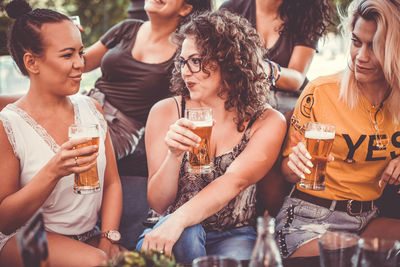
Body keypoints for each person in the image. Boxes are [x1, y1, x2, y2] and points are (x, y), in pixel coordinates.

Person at [136, 9, 287, 264]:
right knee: (187, 234)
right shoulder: (165, 112)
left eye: (196, 61)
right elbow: (160, 204)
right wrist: (173, 155)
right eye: (182, 62)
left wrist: (178, 220)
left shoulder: (267, 121)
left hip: (234, 233)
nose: (186, 72)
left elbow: (234, 181)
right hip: (168, 230)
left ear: (230, 62)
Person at [0, 1, 123, 266]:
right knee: (97, 263)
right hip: (23, 237)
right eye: (67, 55)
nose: (80, 63)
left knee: (147, 261)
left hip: (88, 236)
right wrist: (54, 170)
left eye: (81, 52)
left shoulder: (92, 109)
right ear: (32, 62)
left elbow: (112, 183)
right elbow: (5, 219)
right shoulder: (8, 124)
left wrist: (108, 238)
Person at [275, 0, 400, 259]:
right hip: (308, 218)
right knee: (349, 259)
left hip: (368, 219)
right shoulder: (320, 93)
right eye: (356, 42)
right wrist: (294, 163)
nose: (361, 56)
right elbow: (287, 171)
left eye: (374, 46)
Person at [82, 0, 211, 177]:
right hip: (87, 103)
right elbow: (82, 63)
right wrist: (69, 41)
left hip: (120, 128)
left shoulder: (184, 53)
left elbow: (196, 97)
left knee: (75, 156)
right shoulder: (128, 28)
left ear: (185, 8)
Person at [219, 0, 333, 119]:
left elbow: (297, 77)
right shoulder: (230, 9)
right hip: (242, 100)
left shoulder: (307, 13)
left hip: (287, 104)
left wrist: (267, 69)